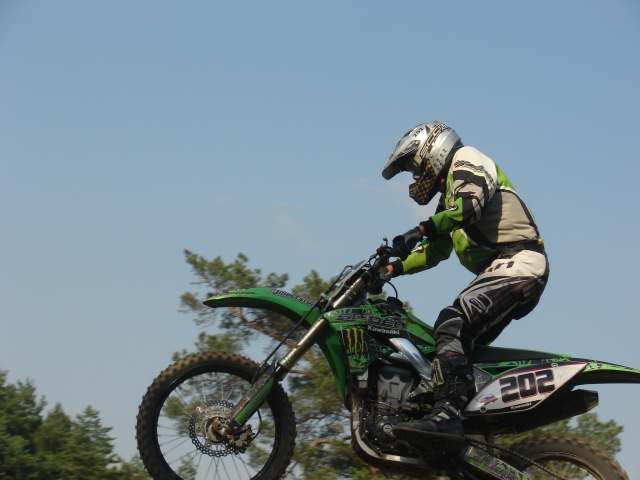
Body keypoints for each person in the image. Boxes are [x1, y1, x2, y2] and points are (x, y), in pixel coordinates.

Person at [381, 121, 549, 443]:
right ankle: (473, 433)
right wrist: (390, 270)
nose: (415, 177)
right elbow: (435, 251)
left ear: (431, 150)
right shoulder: (450, 197)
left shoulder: (468, 159)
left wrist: (422, 228)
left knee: (452, 324)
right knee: (459, 354)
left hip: (520, 262)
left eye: (414, 167)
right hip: (506, 269)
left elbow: (470, 207)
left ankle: (447, 416)